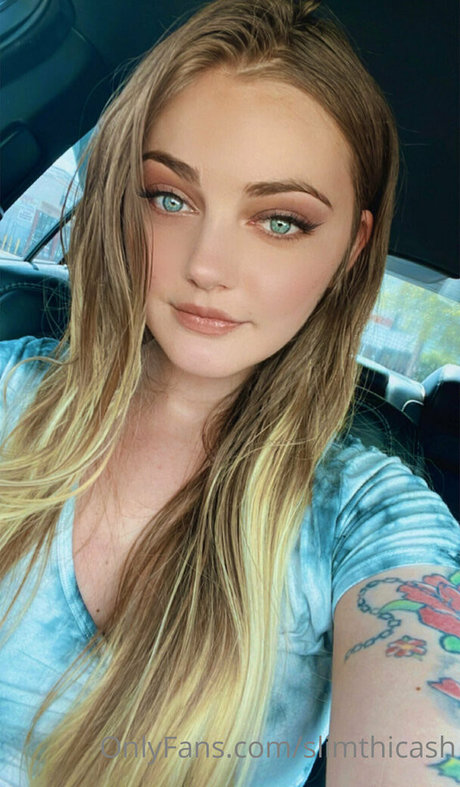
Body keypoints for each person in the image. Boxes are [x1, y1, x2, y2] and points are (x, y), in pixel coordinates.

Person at [0, 0, 459, 785]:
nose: (207, 265)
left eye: (280, 220)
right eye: (169, 197)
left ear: (351, 249)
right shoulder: (10, 389)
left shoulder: (372, 518)